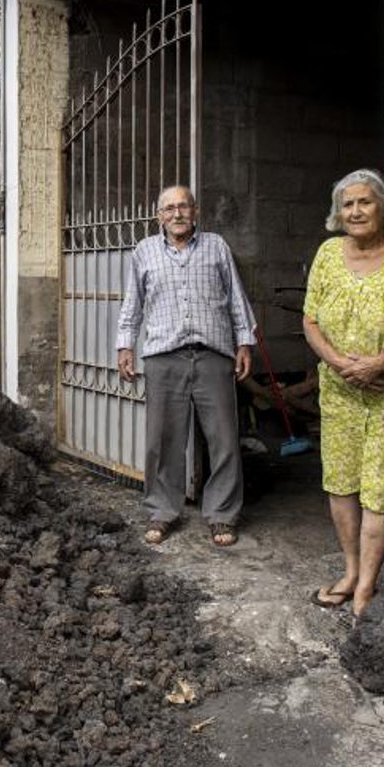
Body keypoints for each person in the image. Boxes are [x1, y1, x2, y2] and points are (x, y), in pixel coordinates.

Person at [116, 185, 256, 547]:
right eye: (169, 208)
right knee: (162, 440)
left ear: (195, 212)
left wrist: (244, 342)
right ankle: (162, 510)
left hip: (213, 353)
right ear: (158, 216)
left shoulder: (216, 247)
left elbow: (236, 299)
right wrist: (124, 345)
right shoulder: (145, 251)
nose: (177, 214)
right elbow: (133, 304)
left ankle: (222, 515)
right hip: (164, 355)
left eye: (183, 206)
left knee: (223, 439)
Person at [302, 168, 384, 616]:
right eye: (348, 204)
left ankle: (366, 588)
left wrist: (381, 362)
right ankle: (351, 568)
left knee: (376, 489)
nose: (355, 211)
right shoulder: (327, 253)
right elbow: (310, 319)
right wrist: (338, 363)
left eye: (365, 202)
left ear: (382, 207)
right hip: (338, 391)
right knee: (340, 483)